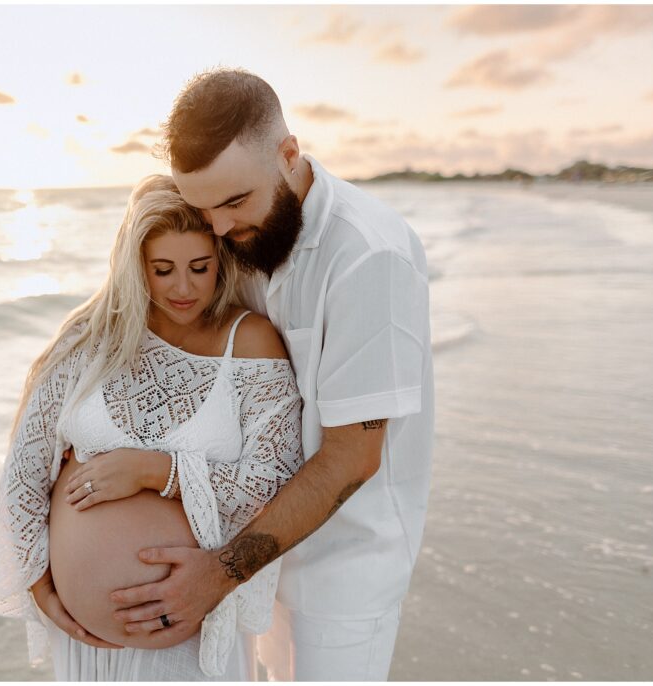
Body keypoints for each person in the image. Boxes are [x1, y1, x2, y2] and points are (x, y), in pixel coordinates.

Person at [108, 68, 434, 681]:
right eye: (205, 209)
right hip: (257, 554)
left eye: (235, 202)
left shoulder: (369, 256)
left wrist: (217, 573)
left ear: (289, 154)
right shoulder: (240, 238)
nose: (223, 229)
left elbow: (351, 458)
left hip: (344, 571)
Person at [0, 174, 304, 680]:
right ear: (136, 267)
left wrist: (159, 471)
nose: (183, 287)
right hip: (86, 649)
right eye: (162, 269)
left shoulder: (250, 343)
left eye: (200, 267)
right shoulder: (90, 342)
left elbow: (275, 479)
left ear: (221, 260)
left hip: (191, 641)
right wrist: (42, 588)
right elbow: (24, 470)